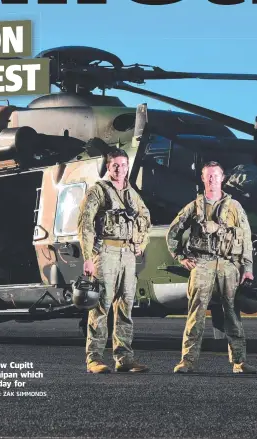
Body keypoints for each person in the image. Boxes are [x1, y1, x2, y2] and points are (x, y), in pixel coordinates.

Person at [166, 161, 257, 374]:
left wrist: (248, 267)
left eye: (215, 176)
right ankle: (187, 361)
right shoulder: (194, 206)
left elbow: (245, 238)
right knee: (195, 313)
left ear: (222, 178)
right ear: (202, 178)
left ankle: (239, 361)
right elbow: (173, 231)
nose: (211, 180)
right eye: (208, 176)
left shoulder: (235, 207)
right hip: (202, 263)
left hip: (228, 265)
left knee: (232, 313)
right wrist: (180, 256)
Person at [77, 149, 151, 374]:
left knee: (126, 305)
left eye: (123, 164)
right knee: (102, 305)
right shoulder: (98, 191)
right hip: (105, 253)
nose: (120, 169)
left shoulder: (131, 193)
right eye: (115, 165)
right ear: (108, 167)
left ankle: (124, 358)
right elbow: (85, 224)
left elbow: (145, 217)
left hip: (127, 254)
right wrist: (88, 258)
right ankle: (94, 358)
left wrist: (141, 243)